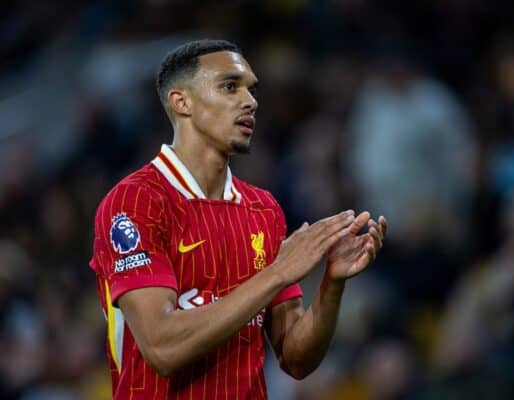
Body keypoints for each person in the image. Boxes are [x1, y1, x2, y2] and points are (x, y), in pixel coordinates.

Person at [89, 39, 387, 399]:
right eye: (230, 87)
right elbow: (162, 348)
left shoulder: (264, 209)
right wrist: (277, 272)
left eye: (251, 89)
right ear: (182, 102)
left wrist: (331, 284)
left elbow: (295, 359)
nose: (250, 101)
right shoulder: (134, 202)